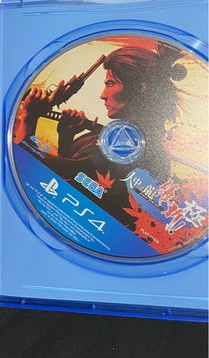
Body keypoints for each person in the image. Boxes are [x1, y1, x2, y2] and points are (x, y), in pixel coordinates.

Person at [14, 42, 187, 227]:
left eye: (110, 83)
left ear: (140, 88)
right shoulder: (130, 135)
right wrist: (66, 137)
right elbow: (80, 177)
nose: (102, 95)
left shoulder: (127, 145)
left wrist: (29, 119)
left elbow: (32, 169)